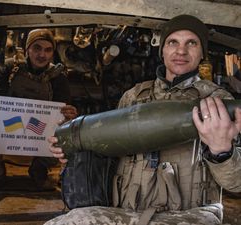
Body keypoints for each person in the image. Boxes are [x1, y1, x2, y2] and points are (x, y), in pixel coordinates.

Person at [46, 15, 241, 225]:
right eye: (172, 42)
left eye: (191, 43)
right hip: (128, 214)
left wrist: (222, 152)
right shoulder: (133, 96)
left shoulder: (218, 102)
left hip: (189, 216)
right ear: (162, 50)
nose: (181, 51)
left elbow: (236, 184)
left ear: (202, 52)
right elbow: (106, 151)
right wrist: (75, 147)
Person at [0, 28, 77, 191]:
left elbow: (63, 112)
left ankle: (39, 170)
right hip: (11, 125)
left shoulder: (58, 78)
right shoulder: (10, 69)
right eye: (37, 48)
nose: (42, 54)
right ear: (27, 49)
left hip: (36, 129)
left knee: (66, 130)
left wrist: (69, 116)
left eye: (48, 50)